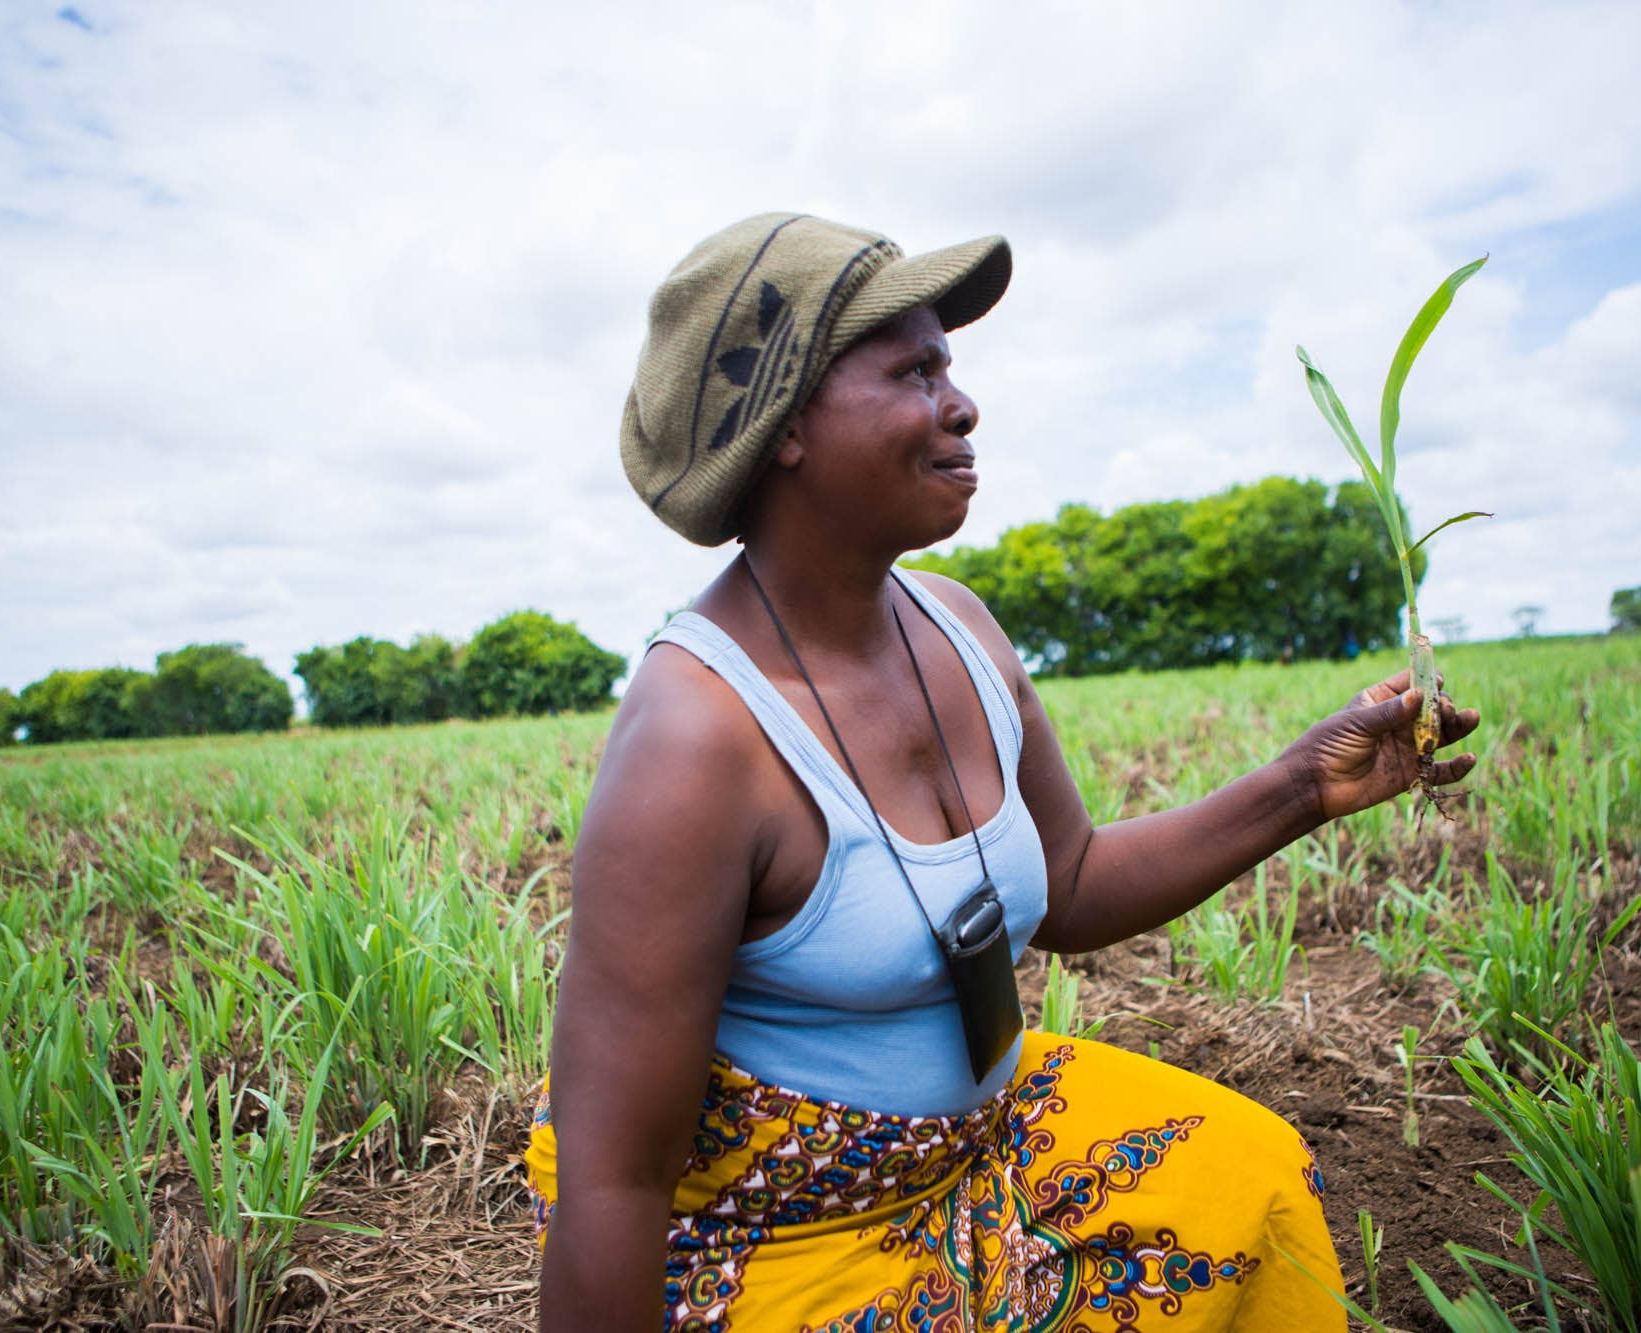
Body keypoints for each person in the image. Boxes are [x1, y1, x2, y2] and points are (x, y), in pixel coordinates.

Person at [526, 213, 1479, 1332]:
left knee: (1250, 1173)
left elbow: (1066, 883)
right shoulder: (698, 739)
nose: (961, 402)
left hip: (982, 1147)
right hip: (779, 1231)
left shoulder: (960, 630)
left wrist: (1300, 787)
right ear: (784, 427)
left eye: (951, 365)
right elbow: (612, 1180)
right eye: (913, 370)